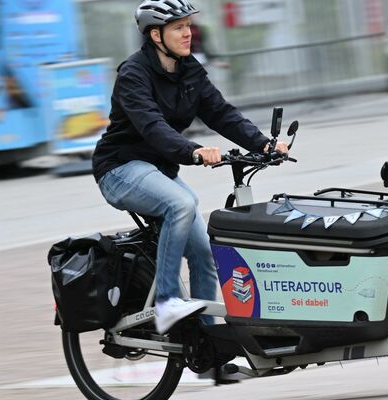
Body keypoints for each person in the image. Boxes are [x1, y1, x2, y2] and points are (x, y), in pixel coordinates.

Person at [92, 0, 289, 334]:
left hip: (158, 171)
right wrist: (193, 151)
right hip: (120, 169)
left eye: (188, 26)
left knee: (204, 254)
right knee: (181, 204)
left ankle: (210, 342)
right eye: (178, 28)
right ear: (156, 34)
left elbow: (219, 112)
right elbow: (152, 126)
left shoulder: (189, 69)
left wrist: (263, 144)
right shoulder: (133, 74)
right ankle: (167, 303)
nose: (188, 33)